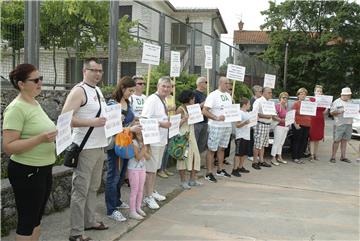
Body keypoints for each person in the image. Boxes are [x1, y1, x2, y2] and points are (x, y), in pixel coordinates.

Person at [2, 64, 57, 241]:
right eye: (35, 80)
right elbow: (8, 147)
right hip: (27, 171)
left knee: (36, 219)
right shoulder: (16, 108)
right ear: (21, 84)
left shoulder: (34, 102)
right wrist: (40, 139)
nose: (40, 83)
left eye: (41, 79)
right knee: (27, 222)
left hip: (43, 168)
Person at [61, 58, 109, 241]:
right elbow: (65, 119)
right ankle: (76, 232)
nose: (97, 74)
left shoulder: (97, 90)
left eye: (100, 71)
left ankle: (90, 221)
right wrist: (92, 122)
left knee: (93, 187)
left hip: (99, 145)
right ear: (84, 71)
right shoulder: (78, 91)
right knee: (80, 190)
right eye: (93, 70)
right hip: (85, 147)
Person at [105, 76, 141, 222]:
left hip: (127, 143)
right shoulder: (112, 104)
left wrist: (135, 121)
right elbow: (112, 127)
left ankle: (117, 201)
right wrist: (130, 127)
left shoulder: (127, 102)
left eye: (133, 91)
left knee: (121, 175)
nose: (131, 93)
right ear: (122, 88)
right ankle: (111, 209)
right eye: (130, 90)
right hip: (116, 144)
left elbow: (129, 119)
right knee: (113, 176)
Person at [141, 76, 172, 209]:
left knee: (154, 169)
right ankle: (147, 197)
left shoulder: (162, 100)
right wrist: (161, 124)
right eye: (163, 86)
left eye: (168, 87)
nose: (166, 89)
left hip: (161, 140)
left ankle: (151, 192)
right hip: (153, 140)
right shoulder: (152, 100)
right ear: (158, 87)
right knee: (149, 170)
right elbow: (144, 119)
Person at [202, 76, 233, 183]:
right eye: (227, 83)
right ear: (221, 83)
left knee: (222, 148)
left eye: (229, 83)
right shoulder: (213, 95)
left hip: (227, 126)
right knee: (212, 150)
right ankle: (209, 173)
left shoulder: (228, 95)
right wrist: (216, 117)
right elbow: (204, 111)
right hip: (216, 126)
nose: (228, 85)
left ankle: (220, 169)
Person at [176, 90, 202, 189]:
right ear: (188, 98)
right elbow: (175, 125)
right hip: (183, 135)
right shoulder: (180, 109)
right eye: (193, 98)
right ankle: (183, 181)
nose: (194, 100)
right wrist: (184, 119)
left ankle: (192, 179)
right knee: (183, 158)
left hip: (191, 135)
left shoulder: (192, 108)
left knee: (196, 156)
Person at [127, 124, 149, 220]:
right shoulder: (133, 142)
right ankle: (132, 211)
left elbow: (148, 157)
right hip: (133, 169)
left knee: (140, 189)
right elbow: (138, 157)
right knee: (134, 190)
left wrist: (145, 148)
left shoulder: (145, 142)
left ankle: (138, 207)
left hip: (142, 168)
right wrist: (144, 148)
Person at [329, 87, 355, 163]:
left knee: (344, 141)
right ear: (342, 94)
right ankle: (333, 157)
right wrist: (341, 111)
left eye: (349, 95)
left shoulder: (351, 102)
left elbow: (355, 111)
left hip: (349, 124)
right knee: (336, 140)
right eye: (347, 95)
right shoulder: (337, 102)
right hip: (339, 124)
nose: (348, 96)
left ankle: (343, 157)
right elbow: (331, 113)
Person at [251, 87, 274, 170]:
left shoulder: (270, 102)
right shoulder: (258, 101)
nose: (271, 94)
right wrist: (266, 116)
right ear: (263, 93)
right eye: (269, 92)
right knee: (257, 144)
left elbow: (272, 113)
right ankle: (254, 162)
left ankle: (261, 160)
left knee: (263, 144)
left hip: (267, 125)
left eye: (271, 92)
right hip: (260, 124)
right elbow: (255, 113)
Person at [157, 81, 176, 178]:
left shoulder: (171, 98)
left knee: (168, 148)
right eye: (169, 86)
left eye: (172, 86)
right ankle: (160, 169)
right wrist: (169, 109)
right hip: (163, 126)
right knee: (163, 149)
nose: (170, 88)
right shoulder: (160, 99)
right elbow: (163, 111)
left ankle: (164, 168)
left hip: (170, 124)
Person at [291, 87, 311, 164]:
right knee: (297, 141)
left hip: (307, 125)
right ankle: (295, 157)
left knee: (303, 142)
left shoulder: (308, 104)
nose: (303, 95)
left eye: (304, 94)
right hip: (298, 125)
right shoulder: (296, 103)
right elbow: (292, 115)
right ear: (298, 95)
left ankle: (299, 157)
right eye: (301, 93)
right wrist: (295, 124)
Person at [232, 97, 251, 177]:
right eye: (249, 104)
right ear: (245, 104)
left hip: (247, 136)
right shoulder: (239, 113)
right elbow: (237, 125)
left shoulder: (247, 113)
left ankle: (240, 167)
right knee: (238, 153)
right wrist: (245, 123)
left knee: (244, 154)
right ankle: (234, 169)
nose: (250, 105)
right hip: (240, 136)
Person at [270, 92, 290, 166]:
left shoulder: (285, 107)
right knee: (276, 143)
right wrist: (282, 120)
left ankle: (279, 157)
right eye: (283, 98)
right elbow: (273, 116)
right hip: (279, 126)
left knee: (281, 143)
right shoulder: (277, 106)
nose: (285, 99)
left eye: (286, 98)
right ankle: (273, 158)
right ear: (280, 98)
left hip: (285, 127)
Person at [309, 85, 326, 161]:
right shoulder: (311, 99)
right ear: (314, 92)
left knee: (318, 138)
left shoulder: (324, 100)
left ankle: (315, 154)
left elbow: (325, 112)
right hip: (313, 120)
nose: (319, 92)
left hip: (320, 120)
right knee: (312, 138)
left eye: (320, 91)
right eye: (317, 91)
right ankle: (311, 155)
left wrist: (327, 106)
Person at [248, 85, 263, 161]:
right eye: (260, 91)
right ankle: (250, 154)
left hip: (257, 122)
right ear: (255, 92)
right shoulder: (252, 100)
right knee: (251, 138)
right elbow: (251, 111)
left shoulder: (259, 100)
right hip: (252, 122)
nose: (261, 93)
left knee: (255, 138)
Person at [194, 76, 208, 154]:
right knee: (195, 143)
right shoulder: (194, 94)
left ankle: (197, 161)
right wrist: (203, 103)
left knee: (201, 144)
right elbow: (192, 108)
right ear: (200, 83)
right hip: (197, 123)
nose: (207, 84)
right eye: (206, 82)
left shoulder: (204, 95)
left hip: (205, 121)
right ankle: (192, 162)